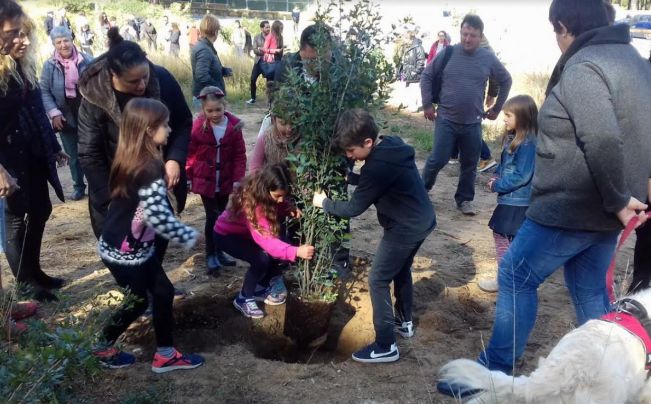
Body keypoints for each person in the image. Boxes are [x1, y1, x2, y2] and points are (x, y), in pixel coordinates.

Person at [438, 1, 651, 396]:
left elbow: (602, 138)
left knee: (516, 276)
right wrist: (630, 191)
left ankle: (494, 372)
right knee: (588, 288)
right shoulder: (636, 61)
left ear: (564, 26)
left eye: (555, 30)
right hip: (607, 209)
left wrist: (619, 199)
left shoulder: (587, 66)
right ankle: (616, 370)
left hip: (574, 207)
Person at [312, 109, 436, 363]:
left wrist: (323, 203)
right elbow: (382, 179)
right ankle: (405, 321)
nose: (349, 156)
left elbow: (353, 208)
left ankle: (385, 346)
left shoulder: (375, 167)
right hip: (423, 220)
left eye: (351, 151)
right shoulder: (392, 145)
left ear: (368, 142)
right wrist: (355, 177)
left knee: (378, 278)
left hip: (404, 228)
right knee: (401, 269)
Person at [92, 97, 203, 372]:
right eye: (164, 125)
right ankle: (102, 345)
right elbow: (157, 216)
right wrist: (190, 236)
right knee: (139, 300)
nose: (168, 129)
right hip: (126, 253)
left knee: (161, 292)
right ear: (147, 130)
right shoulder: (150, 168)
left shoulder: (130, 156)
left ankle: (165, 354)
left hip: (125, 246)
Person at [77, 28, 191, 267]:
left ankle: (153, 288)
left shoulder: (163, 79)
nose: (141, 85)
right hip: (114, 184)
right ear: (113, 76)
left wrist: (174, 159)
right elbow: (89, 153)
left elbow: (182, 122)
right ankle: (137, 293)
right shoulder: (94, 97)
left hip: (157, 182)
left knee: (155, 242)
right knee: (123, 251)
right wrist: (110, 201)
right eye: (133, 81)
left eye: (145, 77)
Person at [0, 4, 68, 302]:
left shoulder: (21, 65)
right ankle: (26, 285)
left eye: (24, 33)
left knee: (41, 209)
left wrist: (53, 147)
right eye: (13, 33)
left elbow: (36, 109)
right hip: (8, 159)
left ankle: (35, 272)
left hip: (33, 152)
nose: (23, 40)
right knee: (15, 220)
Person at [420, 14, 512, 216]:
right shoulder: (449, 53)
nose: (467, 39)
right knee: (438, 158)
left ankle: (464, 200)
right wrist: (427, 104)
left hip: (472, 123)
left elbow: (506, 80)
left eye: (472, 35)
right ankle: (420, 190)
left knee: (470, 164)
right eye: (464, 34)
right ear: (460, 33)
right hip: (446, 119)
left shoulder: (487, 58)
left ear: (480, 37)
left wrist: (497, 108)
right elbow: (426, 76)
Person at [214, 164, 315, 318]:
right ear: (266, 190)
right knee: (260, 259)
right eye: (278, 196)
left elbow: (276, 206)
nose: (281, 200)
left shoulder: (266, 195)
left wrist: (288, 209)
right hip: (226, 236)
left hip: (245, 234)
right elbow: (268, 242)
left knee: (278, 247)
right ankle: (244, 298)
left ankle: (259, 288)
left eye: (284, 196)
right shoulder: (254, 207)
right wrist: (296, 251)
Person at [477, 95, 537, 293]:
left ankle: (505, 279)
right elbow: (504, 165)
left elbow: (522, 175)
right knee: (511, 239)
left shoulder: (527, 144)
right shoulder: (514, 139)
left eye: (508, 115)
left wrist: (498, 185)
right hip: (512, 200)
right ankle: (513, 278)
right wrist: (495, 175)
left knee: (502, 235)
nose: (504, 119)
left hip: (517, 201)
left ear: (523, 118)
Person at [186, 86, 245, 275]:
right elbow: (190, 154)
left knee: (222, 216)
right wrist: (188, 176)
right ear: (203, 110)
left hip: (225, 180)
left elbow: (239, 155)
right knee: (212, 216)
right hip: (206, 180)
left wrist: (238, 179)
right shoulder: (198, 128)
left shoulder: (233, 127)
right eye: (209, 110)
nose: (214, 114)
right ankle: (210, 253)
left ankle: (220, 252)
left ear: (224, 106)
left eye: (218, 109)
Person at [40, 26, 92, 202]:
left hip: (88, 115)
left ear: (72, 40)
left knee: (92, 151)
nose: (63, 45)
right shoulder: (49, 66)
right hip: (65, 117)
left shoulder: (87, 60)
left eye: (66, 40)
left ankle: (95, 185)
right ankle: (78, 186)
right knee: (73, 155)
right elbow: (44, 91)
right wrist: (54, 113)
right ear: (54, 44)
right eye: (58, 42)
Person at [249, 99, 298, 172]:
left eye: (293, 122)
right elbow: (254, 168)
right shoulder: (265, 138)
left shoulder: (304, 140)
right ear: (274, 120)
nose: (289, 128)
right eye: (283, 123)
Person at [191, 14, 228, 108]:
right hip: (206, 98)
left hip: (206, 97)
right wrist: (218, 88)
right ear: (215, 31)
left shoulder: (205, 46)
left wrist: (222, 70)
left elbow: (208, 68)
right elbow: (202, 75)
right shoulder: (204, 49)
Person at [396, 29, 425, 112]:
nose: (404, 40)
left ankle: (414, 106)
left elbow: (421, 61)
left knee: (414, 89)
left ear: (410, 38)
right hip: (405, 71)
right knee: (404, 87)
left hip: (413, 72)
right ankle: (406, 103)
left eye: (405, 38)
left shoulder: (418, 47)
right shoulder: (406, 46)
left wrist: (415, 71)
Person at [246, 20, 270, 105]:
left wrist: (262, 49)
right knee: (253, 79)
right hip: (258, 62)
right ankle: (253, 98)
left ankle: (270, 100)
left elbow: (273, 49)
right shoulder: (256, 37)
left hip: (268, 62)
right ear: (261, 28)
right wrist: (265, 51)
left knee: (269, 81)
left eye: (269, 27)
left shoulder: (272, 37)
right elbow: (255, 50)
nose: (268, 29)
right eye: (266, 27)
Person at [261, 20, 284, 86]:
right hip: (271, 61)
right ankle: (269, 95)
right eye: (281, 28)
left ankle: (276, 95)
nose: (282, 30)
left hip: (279, 60)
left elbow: (281, 49)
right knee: (270, 80)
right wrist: (275, 51)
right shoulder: (270, 36)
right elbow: (264, 49)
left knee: (277, 80)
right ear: (276, 28)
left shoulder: (280, 37)